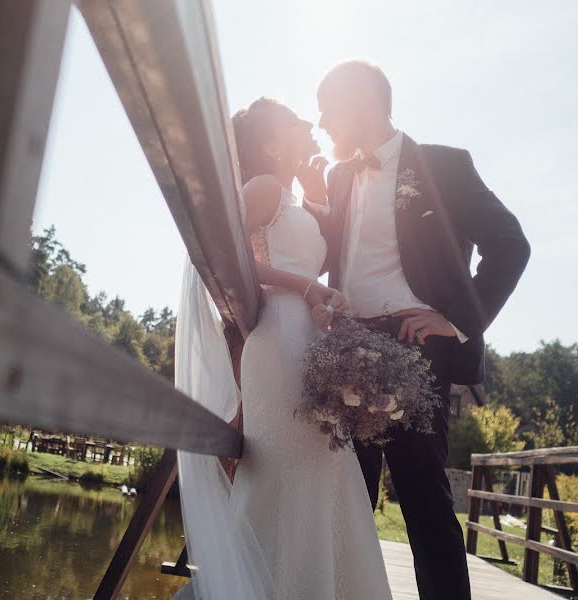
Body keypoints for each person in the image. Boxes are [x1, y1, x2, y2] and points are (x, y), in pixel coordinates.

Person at [304, 59, 531, 600]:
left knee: (424, 501)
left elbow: (511, 244)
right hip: (347, 351)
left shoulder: (444, 168)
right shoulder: (340, 176)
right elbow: (333, 254)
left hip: (413, 349)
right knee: (347, 499)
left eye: (328, 108)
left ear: (363, 104)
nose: (321, 121)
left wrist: (453, 322)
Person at [175, 97, 393, 600]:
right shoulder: (264, 188)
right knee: (284, 470)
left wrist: (318, 299)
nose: (311, 127)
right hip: (277, 346)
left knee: (322, 469)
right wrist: (307, 286)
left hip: (310, 342)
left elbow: (299, 271)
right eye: (298, 123)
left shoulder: (293, 197)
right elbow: (224, 265)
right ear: (272, 144)